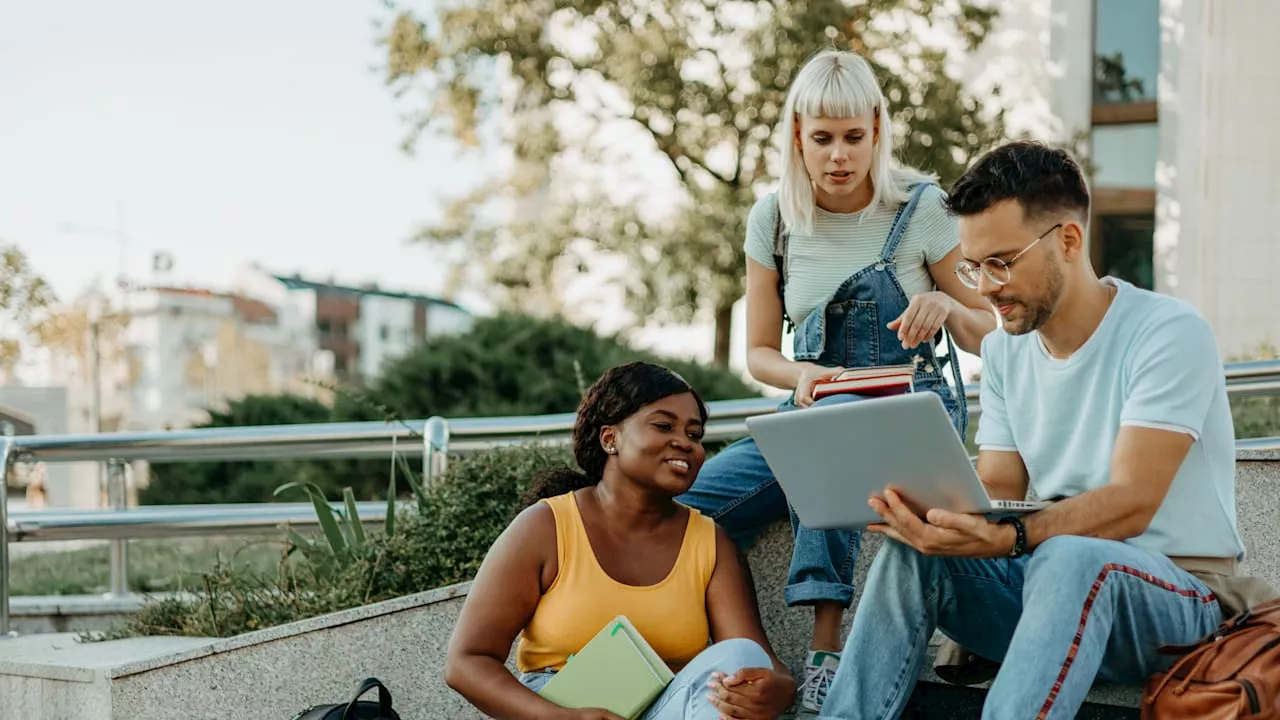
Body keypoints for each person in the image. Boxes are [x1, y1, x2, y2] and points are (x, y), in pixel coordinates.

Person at [818, 140, 1278, 719]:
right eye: (973, 266)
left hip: (1179, 600)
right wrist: (926, 514)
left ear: (1067, 240)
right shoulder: (1008, 354)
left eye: (1001, 262)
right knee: (915, 555)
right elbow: (995, 493)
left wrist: (1008, 537)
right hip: (1047, 588)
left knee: (1071, 557)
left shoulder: (1167, 332)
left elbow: (1131, 504)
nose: (984, 287)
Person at [676, 49, 996, 712]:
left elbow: (995, 331)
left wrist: (950, 306)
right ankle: (738, 657)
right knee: (687, 508)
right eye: (822, 138)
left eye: (853, 137)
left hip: (908, 405)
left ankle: (825, 651)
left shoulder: (922, 207)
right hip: (812, 403)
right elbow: (760, 353)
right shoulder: (773, 219)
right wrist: (800, 376)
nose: (839, 155)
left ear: (877, 129)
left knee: (830, 431)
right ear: (798, 135)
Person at [444, 361, 797, 720]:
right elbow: (466, 662)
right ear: (610, 438)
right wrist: (561, 718)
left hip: (668, 707)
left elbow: (757, 660)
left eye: (694, 434)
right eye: (664, 425)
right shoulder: (546, 526)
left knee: (738, 659)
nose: (685, 443)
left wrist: (779, 689)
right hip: (555, 711)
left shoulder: (710, 542)